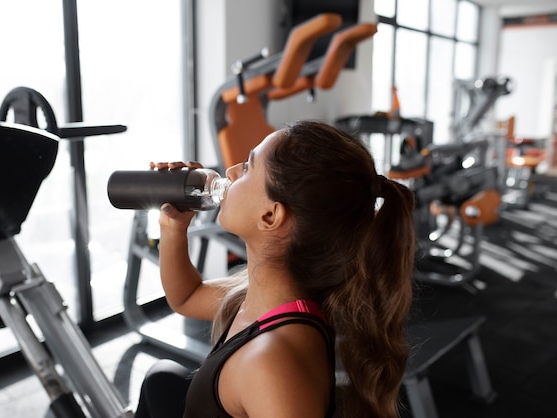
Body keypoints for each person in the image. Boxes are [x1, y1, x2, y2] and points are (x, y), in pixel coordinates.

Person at [135, 120, 416, 418]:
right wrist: (173, 228)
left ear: (270, 216)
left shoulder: (269, 363)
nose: (230, 171)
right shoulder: (260, 296)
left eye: (247, 167)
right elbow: (186, 296)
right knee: (161, 379)